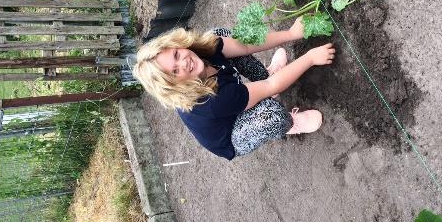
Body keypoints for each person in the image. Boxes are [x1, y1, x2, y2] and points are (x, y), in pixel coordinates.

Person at [132, 18, 335, 160]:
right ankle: (290, 123)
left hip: (232, 95)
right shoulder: (211, 102)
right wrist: (309, 58)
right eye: (175, 72)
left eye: (176, 55)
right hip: (233, 134)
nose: (184, 63)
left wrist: (291, 33)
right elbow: (270, 86)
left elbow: (246, 47)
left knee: (217, 34)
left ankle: (265, 77)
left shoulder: (202, 48)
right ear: (175, 86)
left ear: (177, 44)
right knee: (271, 115)